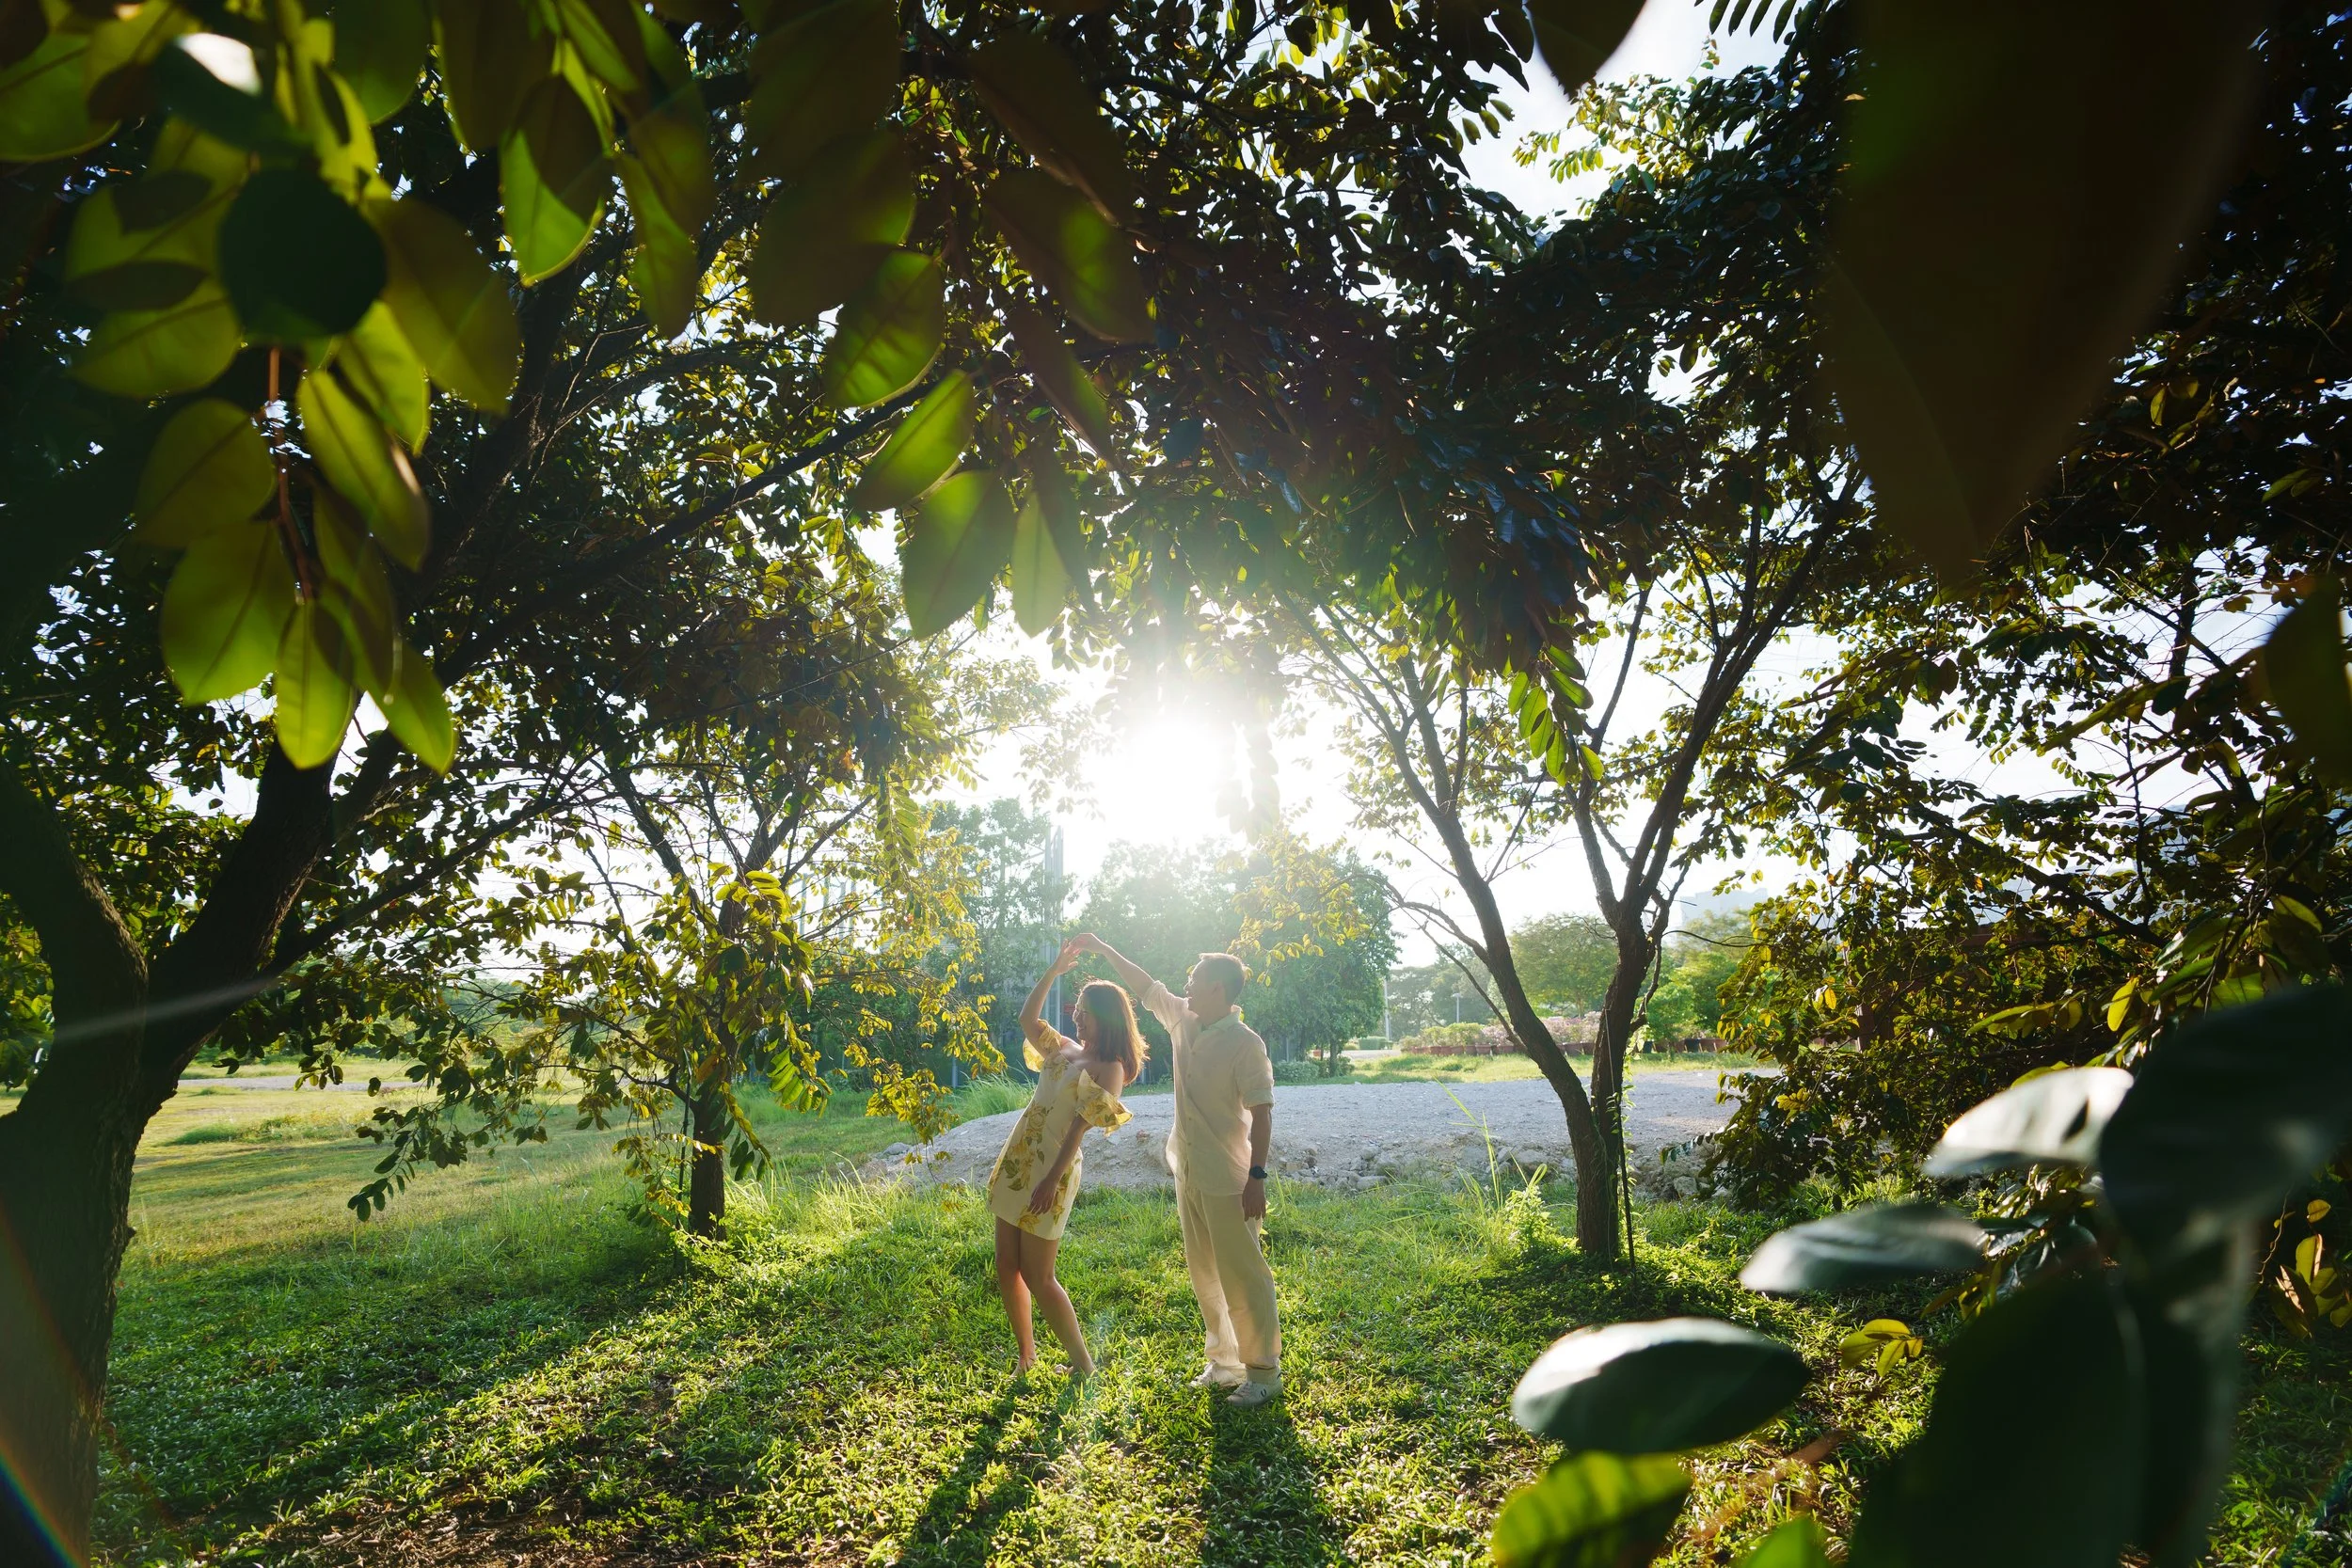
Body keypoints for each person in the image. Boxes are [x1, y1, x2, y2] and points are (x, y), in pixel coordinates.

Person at [1073, 933, 1281, 1406]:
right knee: (1204, 1271)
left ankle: (1264, 1373)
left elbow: (1263, 1113)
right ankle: (1225, 1362)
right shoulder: (1185, 1021)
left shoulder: (1246, 1045)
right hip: (1188, 1167)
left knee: (1244, 1274)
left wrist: (1257, 1177)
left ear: (1218, 991)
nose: (1187, 983)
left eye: (1195, 978)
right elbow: (1146, 988)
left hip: (1230, 1178)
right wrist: (1106, 950)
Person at [986, 938, 1141, 1378]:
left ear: (1106, 1019)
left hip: (1052, 1171)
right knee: (1006, 1265)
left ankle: (1084, 1366)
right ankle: (1026, 1356)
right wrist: (1053, 970)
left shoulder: (1109, 1068)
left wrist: (1051, 1179)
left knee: (1039, 1274)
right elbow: (1026, 1018)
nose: (1077, 1018)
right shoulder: (1063, 1047)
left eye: (1085, 1013)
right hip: (1020, 1157)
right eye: (1076, 1011)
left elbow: (1079, 1128)